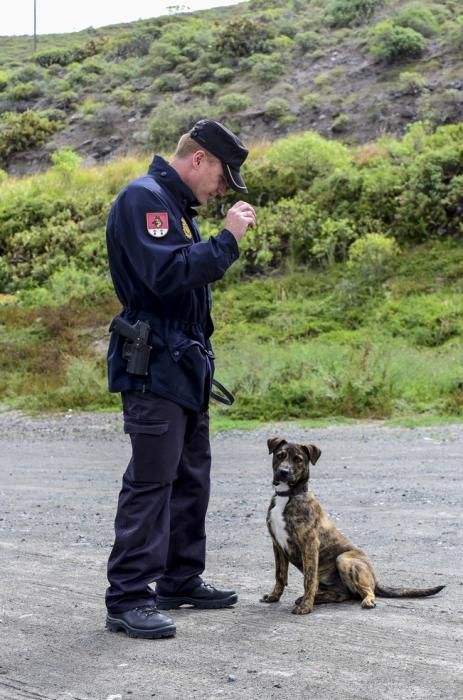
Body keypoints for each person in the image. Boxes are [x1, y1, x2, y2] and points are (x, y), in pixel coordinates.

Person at [104, 119, 256, 639]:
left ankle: (179, 579)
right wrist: (227, 240)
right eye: (221, 176)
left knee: (191, 477)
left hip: (184, 363)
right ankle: (127, 598)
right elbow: (166, 275)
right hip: (156, 365)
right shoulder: (143, 200)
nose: (221, 190)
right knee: (151, 482)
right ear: (199, 160)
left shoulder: (173, 209)